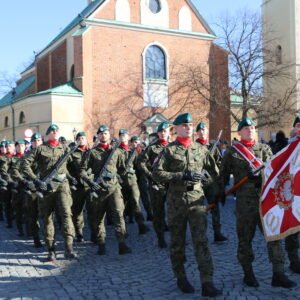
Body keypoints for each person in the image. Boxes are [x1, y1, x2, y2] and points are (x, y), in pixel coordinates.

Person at [218, 117, 296, 288]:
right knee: (245, 239)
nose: (250, 130)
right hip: (245, 204)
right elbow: (223, 175)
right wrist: (219, 192)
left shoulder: (264, 149)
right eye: (246, 128)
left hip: (265, 200)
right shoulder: (233, 152)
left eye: (252, 127)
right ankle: (248, 273)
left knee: (274, 237)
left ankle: (279, 274)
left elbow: (274, 172)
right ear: (239, 132)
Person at [153, 113, 222, 297]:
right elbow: (157, 173)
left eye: (190, 124)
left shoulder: (201, 150)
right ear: (175, 129)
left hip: (197, 201)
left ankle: (207, 281)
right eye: (184, 125)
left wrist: (207, 179)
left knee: (201, 241)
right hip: (176, 202)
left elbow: (214, 171)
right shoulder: (169, 151)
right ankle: (181, 277)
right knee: (177, 242)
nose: (189, 127)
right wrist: (180, 176)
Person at [22, 124, 76, 261]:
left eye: (56, 131)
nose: (55, 132)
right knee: (47, 218)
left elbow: (73, 165)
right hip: (46, 187)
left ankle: (69, 248)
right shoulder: (40, 149)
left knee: (66, 214)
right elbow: (25, 164)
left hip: (62, 186)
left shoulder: (64, 148)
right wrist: (36, 180)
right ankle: (50, 250)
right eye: (52, 131)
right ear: (47, 135)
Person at [80, 124, 131, 256]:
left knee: (119, 216)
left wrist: (119, 177)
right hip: (99, 190)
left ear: (109, 135)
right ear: (98, 135)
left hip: (114, 189)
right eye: (101, 133)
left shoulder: (116, 151)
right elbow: (82, 171)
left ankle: (122, 243)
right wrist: (90, 182)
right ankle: (101, 244)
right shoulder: (92, 153)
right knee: (98, 218)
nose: (104, 135)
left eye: (106, 133)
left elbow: (122, 169)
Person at [139, 121, 170, 248]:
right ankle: (161, 237)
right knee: (158, 211)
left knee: (175, 210)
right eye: (161, 131)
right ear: (158, 133)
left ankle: (177, 235)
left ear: (168, 132)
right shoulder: (152, 148)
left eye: (165, 131)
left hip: (171, 183)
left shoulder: (173, 146)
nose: (163, 133)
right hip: (157, 184)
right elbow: (141, 163)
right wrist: (150, 175)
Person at [195, 122, 227, 242]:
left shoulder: (213, 147)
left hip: (211, 183)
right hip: (198, 182)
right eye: (200, 130)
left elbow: (219, 164)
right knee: (199, 209)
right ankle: (200, 234)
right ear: (197, 132)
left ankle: (217, 233)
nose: (202, 132)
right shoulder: (193, 147)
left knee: (214, 207)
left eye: (204, 130)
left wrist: (220, 183)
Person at [118, 130, 149, 234]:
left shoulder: (133, 153)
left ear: (128, 138)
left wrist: (141, 181)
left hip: (132, 182)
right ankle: (123, 230)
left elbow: (139, 168)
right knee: (121, 206)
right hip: (120, 183)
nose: (123, 137)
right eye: (121, 136)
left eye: (124, 135)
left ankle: (141, 225)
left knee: (136, 203)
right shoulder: (115, 152)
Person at [67, 131, 93, 243]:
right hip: (77, 186)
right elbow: (65, 169)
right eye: (79, 138)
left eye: (83, 138)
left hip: (91, 185)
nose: (81, 139)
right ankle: (79, 233)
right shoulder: (72, 154)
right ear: (76, 140)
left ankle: (94, 233)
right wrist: (70, 179)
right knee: (77, 211)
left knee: (93, 210)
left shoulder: (92, 152)